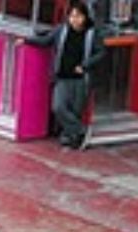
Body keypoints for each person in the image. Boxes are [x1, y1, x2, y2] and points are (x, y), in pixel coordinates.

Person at [32, 0, 104, 149]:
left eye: (78, 16)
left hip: (80, 79)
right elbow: (46, 40)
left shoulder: (92, 33)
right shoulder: (62, 30)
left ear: (85, 17)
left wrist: (84, 66)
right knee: (58, 107)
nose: (74, 20)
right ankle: (81, 130)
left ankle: (71, 138)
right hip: (63, 77)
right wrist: (27, 40)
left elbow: (101, 52)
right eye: (72, 16)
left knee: (75, 110)